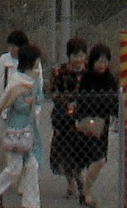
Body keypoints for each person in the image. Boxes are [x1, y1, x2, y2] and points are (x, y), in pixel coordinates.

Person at [0, 39, 47, 208]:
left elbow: (40, 97)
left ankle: (31, 203)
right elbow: (14, 104)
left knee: (32, 165)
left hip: (30, 129)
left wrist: (33, 98)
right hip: (16, 130)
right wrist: (29, 100)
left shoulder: (34, 80)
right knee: (15, 167)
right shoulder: (17, 80)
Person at [69, 46, 120, 208]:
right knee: (94, 159)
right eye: (99, 61)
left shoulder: (110, 79)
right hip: (86, 125)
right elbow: (83, 102)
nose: (102, 64)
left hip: (102, 127)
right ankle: (86, 192)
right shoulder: (86, 78)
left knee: (100, 160)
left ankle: (85, 190)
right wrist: (99, 103)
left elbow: (114, 103)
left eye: (105, 61)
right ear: (92, 61)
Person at [47, 39, 91, 199]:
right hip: (63, 118)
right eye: (75, 55)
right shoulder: (59, 72)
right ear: (69, 56)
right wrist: (67, 103)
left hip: (83, 117)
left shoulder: (89, 72)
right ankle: (72, 182)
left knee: (80, 151)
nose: (79, 59)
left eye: (81, 55)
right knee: (65, 152)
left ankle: (80, 181)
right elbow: (53, 92)